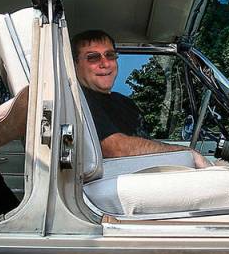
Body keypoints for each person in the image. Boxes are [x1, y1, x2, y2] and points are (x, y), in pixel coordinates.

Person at [72, 29, 209, 168]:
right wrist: (185, 154)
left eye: (110, 55)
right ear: (75, 64)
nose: (105, 63)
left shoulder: (125, 103)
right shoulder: (79, 102)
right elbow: (115, 148)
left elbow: (145, 146)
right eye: (93, 57)